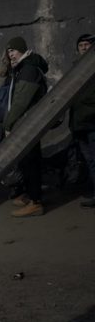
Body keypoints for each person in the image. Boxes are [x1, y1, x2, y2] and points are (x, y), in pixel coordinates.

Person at [2, 36, 51, 217]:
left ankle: (35, 202)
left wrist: (8, 123)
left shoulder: (29, 69)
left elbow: (21, 100)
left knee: (30, 161)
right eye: (8, 52)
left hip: (28, 123)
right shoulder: (23, 67)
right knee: (29, 160)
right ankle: (32, 195)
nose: (11, 55)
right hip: (29, 121)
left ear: (22, 50)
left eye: (13, 50)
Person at [69, 34, 95, 208]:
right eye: (81, 45)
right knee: (89, 160)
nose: (84, 48)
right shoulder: (75, 69)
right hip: (79, 123)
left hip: (92, 122)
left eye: (87, 45)